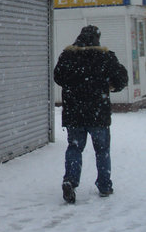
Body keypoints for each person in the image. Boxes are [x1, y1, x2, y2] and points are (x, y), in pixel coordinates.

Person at [53, 24, 128, 204]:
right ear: (97, 39)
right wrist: (110, 85)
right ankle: (104, 185)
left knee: (74, 148)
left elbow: (58, 77)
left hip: (74, 113)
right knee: (102, 150)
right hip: (98, 113)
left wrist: (75, 84)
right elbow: (121, 78)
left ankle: (70, 180)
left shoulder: (67, 56)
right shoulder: (106, 57)